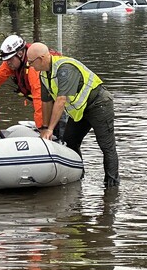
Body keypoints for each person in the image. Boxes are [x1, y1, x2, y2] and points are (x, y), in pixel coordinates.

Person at [26, 42, 119, 187]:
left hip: (99, 104)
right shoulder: (44, 75)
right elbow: (46, 102)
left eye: (31, 62)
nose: (30, 66)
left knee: (106, 146)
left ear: (42, 58)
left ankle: (112, 185)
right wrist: (44, 127)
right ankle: (78, 177)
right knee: (70, 141)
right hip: (81, 110)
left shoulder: (64, 69)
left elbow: (61, 100)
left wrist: (51, 129)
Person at [0, 35, 65, 138]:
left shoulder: (33, 68)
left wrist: (42, 129)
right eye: (6, 60)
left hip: (62, 101)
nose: (8, 63)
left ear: (20, 53)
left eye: (10, 59)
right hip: (48, 101)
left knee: (62, 134)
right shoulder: (12, 63)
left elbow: (39, 99)